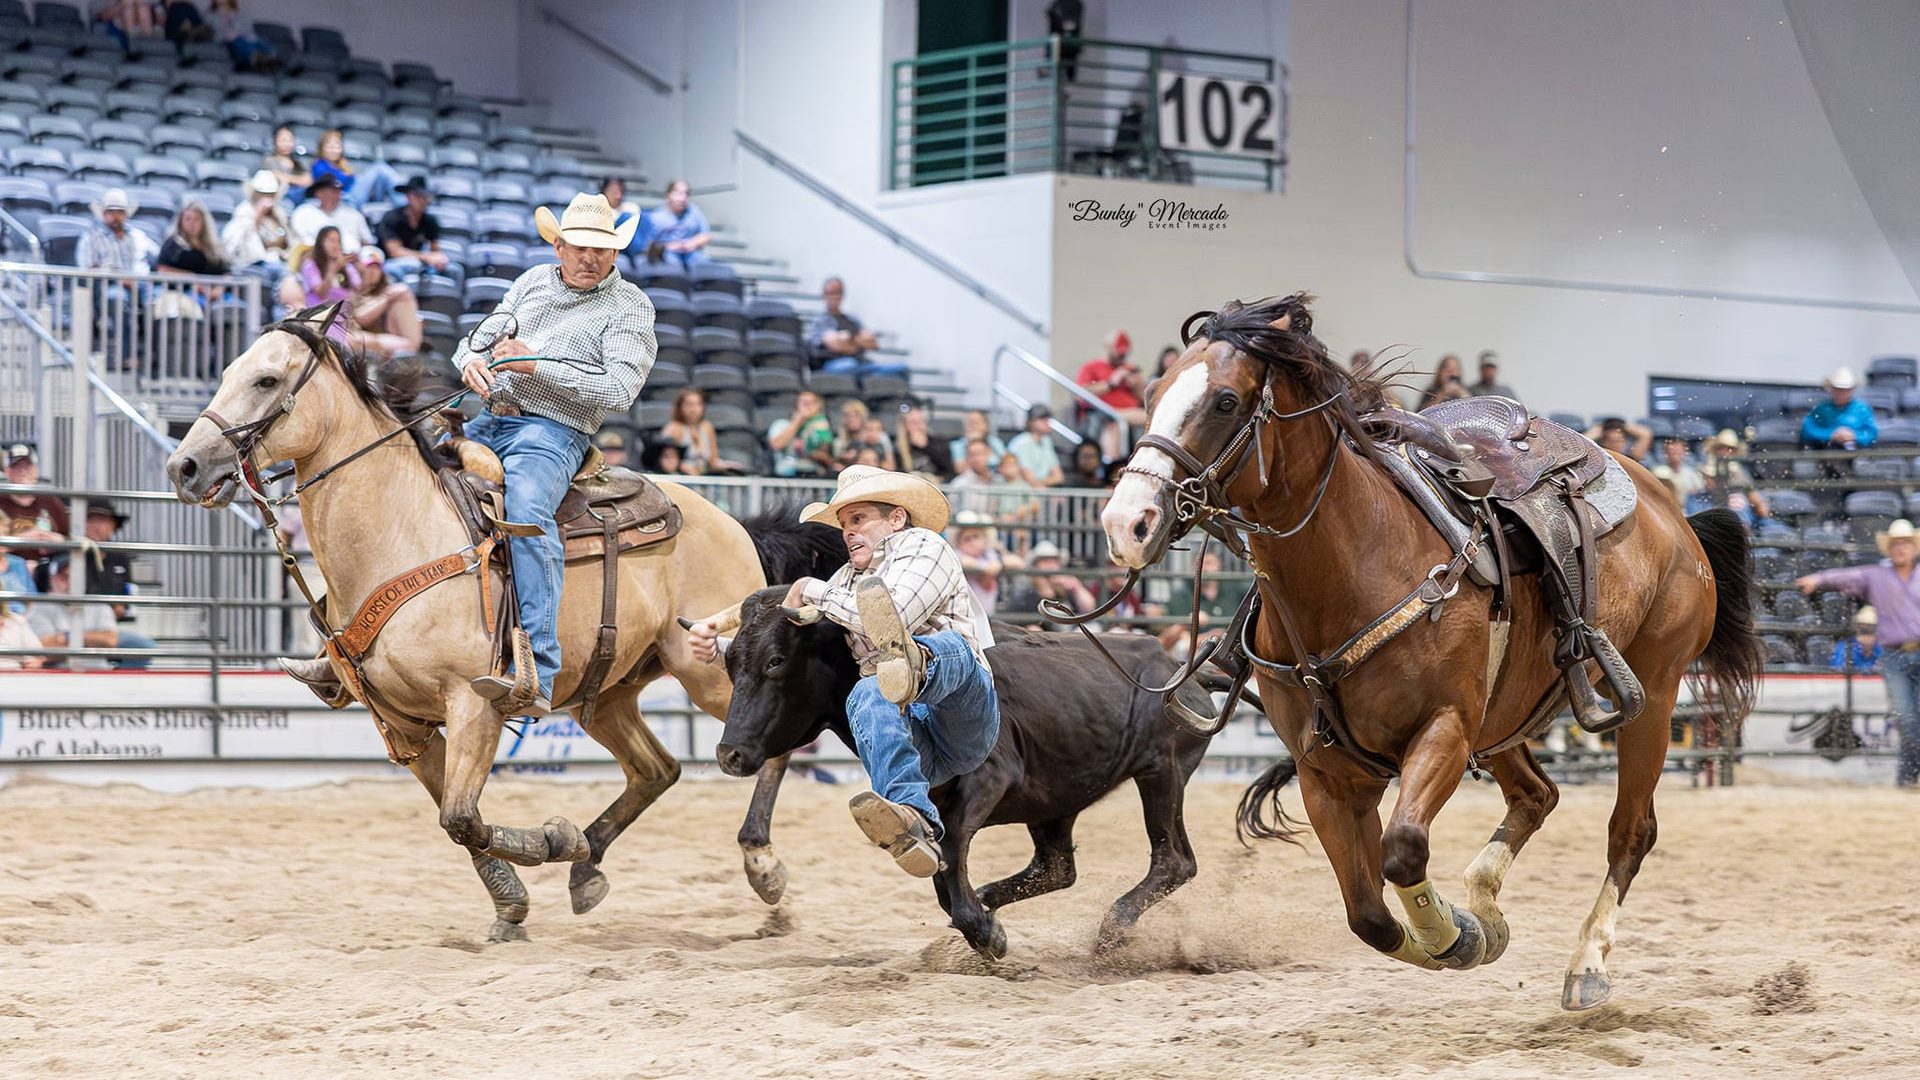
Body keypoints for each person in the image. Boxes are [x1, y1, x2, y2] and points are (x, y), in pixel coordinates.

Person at [279, 193, 656, 717]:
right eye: (579, 246)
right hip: (489, 419)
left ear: (615, 252)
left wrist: (533, 366)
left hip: (553, 432)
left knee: (525, 511)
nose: (590, 257)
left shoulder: (629, 306)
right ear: (559, 245)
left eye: (601, 248)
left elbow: (618, 390)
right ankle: (344, 645)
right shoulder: (530, 285)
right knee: (396, 484)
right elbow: (475, 341)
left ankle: (539, 670)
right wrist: (474, 363)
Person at [688, 466, 999, 877]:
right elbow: (780, 651)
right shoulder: (845, 579)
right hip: (912, 732)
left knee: (941, 648)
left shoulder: (924, 547)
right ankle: (914, 819)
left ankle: (912, 666)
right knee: (866, 693)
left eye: (858, 519)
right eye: (843, 525)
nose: (848, 532)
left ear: (896, 518)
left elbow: (893, 612)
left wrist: (808, 586)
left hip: (959, 713)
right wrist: (719, 651)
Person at [1796, 519, 1920, 787]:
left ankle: (1908, 777)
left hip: (1903, 654)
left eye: (1905, 544)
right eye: (1896, 544)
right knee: (1907, 718)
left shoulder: (1879, 576)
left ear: (1913, 547)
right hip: (1894, 654)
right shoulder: (1877, 576)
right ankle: (1909, 777)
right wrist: (1818, 579)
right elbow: (1846, 576)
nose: (1901, 549)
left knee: (1910, 718)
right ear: (1890, 548)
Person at [27, 555, 147, 671]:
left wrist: (68, 637)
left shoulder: (98, 604)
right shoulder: (40, 606)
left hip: (98, 672)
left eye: (75, 577)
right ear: (52, 580)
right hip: (58, 674)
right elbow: (46, 649)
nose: (70, 583)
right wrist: (92, 642)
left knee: (141, 645)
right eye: (64, 577)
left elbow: (110, 641)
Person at [808, 277, 907, 377]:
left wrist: (847, 340)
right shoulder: (821, 321)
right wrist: (858, 342)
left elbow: (873, 343)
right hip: (833, 365)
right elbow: (835, 344)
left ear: (842, 295)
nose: (834, 297)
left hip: (861, 363)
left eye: (837, 293)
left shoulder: (853, 319)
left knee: (901, 369)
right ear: (824, 296)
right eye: (830, 293)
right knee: (849, 365)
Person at [222, 170, 293, 304]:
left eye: (271, 195)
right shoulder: (244, 212)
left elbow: (287, 241)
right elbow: (234, 242)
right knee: (281, 274)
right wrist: (257, 216)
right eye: (263, 194)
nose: (267, 198)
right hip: (252, 263)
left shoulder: (279, 214)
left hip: (278, 261)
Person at [1076, 330, 1149, 459]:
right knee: (1115, 422)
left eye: (1125, 352)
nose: (1122, 355)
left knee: (1152, 417)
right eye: (1119, 351)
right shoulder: (1091, 367)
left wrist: (1136, 385)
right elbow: (1081, 396)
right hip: (1105, 413)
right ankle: (1113, 466)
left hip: (1131, 413)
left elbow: (1145, 400)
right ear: (1108, 348)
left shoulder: (1129, 369)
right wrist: (1110, 383)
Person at [951, 511, 1019, 638]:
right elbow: (964, 562)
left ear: (984, 538)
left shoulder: (990, 555)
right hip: (964, 621)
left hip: (988, 618)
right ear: (959, 542)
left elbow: (1018, 562)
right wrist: (986, 567)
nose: (972, 542)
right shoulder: (956, 555)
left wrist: (999, 562)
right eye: (966, 538)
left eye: (976, 537)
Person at [348, 247, 423, 358]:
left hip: (385, 341)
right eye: (369, 267)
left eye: (377, 267)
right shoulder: (350, 291)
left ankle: (406, 349)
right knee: (351, 339)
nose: (373, 272)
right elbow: (360, 318)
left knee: (403, 292)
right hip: (358, 339)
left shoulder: (390, 290)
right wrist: (385, 299)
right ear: (359, 267)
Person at [999, 541, 1094, 629]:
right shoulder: (1027, 590)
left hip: (1071, 634)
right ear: (1035, 566)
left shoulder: (1067, 586)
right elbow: (1016, 619)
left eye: (1054, 561)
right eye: (1046, 561)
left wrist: (1077, 587)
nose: (1051, 566)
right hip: (1044, 639)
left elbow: (1089, 608)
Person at [376, 176, 449, 282]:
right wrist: (425, 257)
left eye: (424, 196)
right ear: (408, 196)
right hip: (391, 262)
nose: (422, 200)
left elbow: (435, 249)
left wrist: (439, 259)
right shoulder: (392, 218)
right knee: (409, 266)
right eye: (417, 196)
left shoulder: (430, 221)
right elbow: (395, 252)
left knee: (452, 269)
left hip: (417, 261)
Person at [307, 129, 401, 210]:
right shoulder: (319, 164)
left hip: (353, 194)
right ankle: (404, 202)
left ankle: (399, 199)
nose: (334, 150)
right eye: (330, 147)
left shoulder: (340, 166)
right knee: (379, 167)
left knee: (380, 174)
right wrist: (348, 176)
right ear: (322, 148)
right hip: (345, 197)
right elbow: (335, 184)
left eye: (337, 147)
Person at [660, 388, 744, 476]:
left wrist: (727, 465)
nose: (693, 409)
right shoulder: (673, 428)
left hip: (704, 477)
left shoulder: (707, 427)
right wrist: (683, 467)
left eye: (698, 404)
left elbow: (713, 461)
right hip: (682, 478)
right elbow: (667, 461)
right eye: (689, 405)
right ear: (680, 407)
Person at [77, 188, 157, 276]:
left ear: (126, 214)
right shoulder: (91, 237)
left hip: (141, 282)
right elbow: (87, 269)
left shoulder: (137, 235)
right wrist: (115, 276)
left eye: (120, 212)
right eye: (111, 212)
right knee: (115, 290)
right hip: (108, 284)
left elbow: (157, 256)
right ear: (104, 214)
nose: (116, 216)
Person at [636, 179, 711, 270]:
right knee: (673, 264)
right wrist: (670, 246)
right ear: (668, 195)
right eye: (678, 193)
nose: (682, 198)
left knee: (704, 264)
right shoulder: (656, 217)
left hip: (690, 253)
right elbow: (648, 247)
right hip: (667, 254)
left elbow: (706, 235)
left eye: (686, 194)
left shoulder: (693, 211)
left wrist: (692, 243)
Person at [1701, 429, 1770, 524]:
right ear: (1716, 449)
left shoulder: (1738, 471)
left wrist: (1759, 504)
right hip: (1712, 503)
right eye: (1722, 447)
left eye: (1730, 449)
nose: (1725, 452)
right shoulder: (1706, 467)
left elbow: (1751, 493)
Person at [1801, 366, 1879, 450]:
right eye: (1838, 389)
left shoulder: (1862, 409)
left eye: (1845, 390)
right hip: (1826, 448)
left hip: (1856, 451)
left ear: (1851, 390)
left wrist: (1853, 436)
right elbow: (1807, 430)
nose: (1841, 393)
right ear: (1832, 389)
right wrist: (1831, 434)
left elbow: (1871, 433)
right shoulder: (1822, 408)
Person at [290, 173, 374, 250]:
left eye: (338, 191)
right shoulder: (304, 213)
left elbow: (367, 242)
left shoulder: (353, 215)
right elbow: (297, 240)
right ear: (318, 192)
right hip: (316, 259)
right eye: (331, 190)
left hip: (352, 260)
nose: (336, 194)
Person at [283, 225, 358, 311]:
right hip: (320, 313)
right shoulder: (310, 266)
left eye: (338, 241)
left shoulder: (345, 265)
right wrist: (333, 270)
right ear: (321, 243)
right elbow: (321, 294)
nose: (335, 245)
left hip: (344, 310)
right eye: (331, 240)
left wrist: (358, 266)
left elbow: (359, 289)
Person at [766, 390, 836, 478]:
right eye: (803, 402)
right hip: (785, 476)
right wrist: (798, 420)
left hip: (812, 476)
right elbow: (776, 445)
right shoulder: (781, 424)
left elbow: (826, 458)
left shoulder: (821, 428)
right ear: (796, 405)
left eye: (811, 402)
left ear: (818, 406)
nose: (807, 406)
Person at [208, 0, 277, 71]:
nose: (223, 8)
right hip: (229, 40)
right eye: (220, 5)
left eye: (225, 5)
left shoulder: (238, 13)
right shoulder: (213, 16)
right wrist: (227, 33)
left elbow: (247, 29)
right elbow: (217, 35)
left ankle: (266, 58)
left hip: (246, 36)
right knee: (238, 42)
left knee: (259, 43)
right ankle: (256, 59)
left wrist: (236, 29)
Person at [1005, 405, 1064, 488]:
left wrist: (1042, 484)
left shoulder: (1047, 441)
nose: (1047, 422)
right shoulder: (1021, 443)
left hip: (1038, 490)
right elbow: (1028, 477)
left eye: (1048, 419)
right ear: (1030, 422)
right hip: (1020, 492)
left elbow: (1059, 477)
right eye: (1042, 419)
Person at [895, 400, 952, 480]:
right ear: (905, 426)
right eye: (914, 423)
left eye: (921, 421)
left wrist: (925, 447)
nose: (919, 426)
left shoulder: (938, 443)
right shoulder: (899, 448)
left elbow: (948, 471)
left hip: (936, 486)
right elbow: (898, 474)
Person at [261, 124, 310, 202]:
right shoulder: (269, 161)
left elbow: (308, 181)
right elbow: (278, 179)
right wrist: (299, 180)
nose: (287, 144)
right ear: (275, 141)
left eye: (290, 140)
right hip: (279, 199)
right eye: (283, 140)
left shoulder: (298, 163)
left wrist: (287, 178)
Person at [1658, 437, 1706, 509]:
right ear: (1666, 453)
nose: (1675, 455)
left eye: (1678, 452)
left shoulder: (1691, 473)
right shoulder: (1659, 472)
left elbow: (1700, 492)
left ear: (1684, 453)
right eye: (1672, 452)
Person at [1831, 606, 1882, 674]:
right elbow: (1839, 671)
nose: (1867, 639)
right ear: (1857, 630)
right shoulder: (1845, 648)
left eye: (1870, 631)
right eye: (1864, 632)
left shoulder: (1881, 649)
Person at [1588, 417, 1654, 463]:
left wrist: (1624, 425)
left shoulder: (1631, 458)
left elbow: (1645, 434)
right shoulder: (1596, 459)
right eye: (1611, 441)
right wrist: (1598, 429)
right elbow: (1579, 447)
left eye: (1618, 441)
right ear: (1603, 441)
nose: (1615, 445)